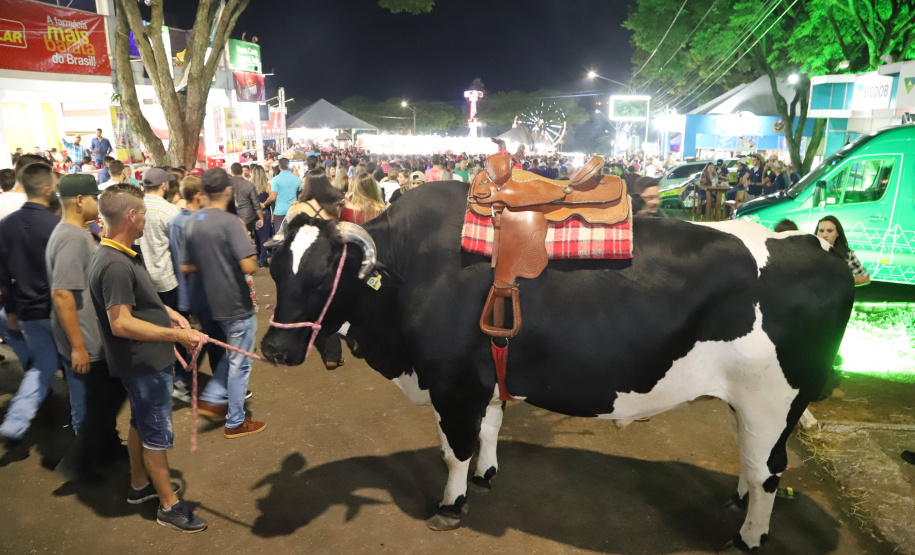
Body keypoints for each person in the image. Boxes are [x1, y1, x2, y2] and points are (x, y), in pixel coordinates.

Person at [89, 183, 206, 532]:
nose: (145, 219)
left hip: (142, 362)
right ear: (130, 215)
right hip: (143, 363)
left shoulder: (120, 253)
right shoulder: (114, 264)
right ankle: (169, 506)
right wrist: (179, 335)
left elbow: (137, 303)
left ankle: (140, 486)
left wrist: (166, 312)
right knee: (156, 433)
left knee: (142, 422)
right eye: (141, 213)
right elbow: (121, 323)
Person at [47, 174, 128, 482]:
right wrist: (78, 346)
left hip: (83, 335)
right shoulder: (72, 237)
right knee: (107, 396)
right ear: (80, 201)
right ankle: (81, 462)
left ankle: (106, 450)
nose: (99, 203)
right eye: (94, 198)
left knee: (101, 397)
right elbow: (62, 292)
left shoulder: (68, 232)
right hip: (85, 339)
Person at [182, 168, 265, 439]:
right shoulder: (231, 222)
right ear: (228, 190)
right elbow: (249, 265)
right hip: (233, 300)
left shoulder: (193, 220)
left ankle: (214, 396)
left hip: (204, 302)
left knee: (232, 356)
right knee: (240, 361)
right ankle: (235, 421)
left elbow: (186, 265)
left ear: (203, 192)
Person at [0, 159, 63, 444]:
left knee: (42, 364)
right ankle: (84, 428)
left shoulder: (7, 225)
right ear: (48, 189)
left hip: (26, 309)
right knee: (74, 369)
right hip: (58, 309)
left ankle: (16, 419)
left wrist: (11, 309)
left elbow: (4, 274)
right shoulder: (56, 225)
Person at [815, 215, 870, 286]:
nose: (824, 235)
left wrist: (840, 283)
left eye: (829, 231)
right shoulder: (808, 250)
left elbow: (864, 277)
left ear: (838, 233)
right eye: (821, 231)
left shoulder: (846, 254)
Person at [229, 162, 264, 237]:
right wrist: (261, 218)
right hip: (248, 218)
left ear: (231, 172)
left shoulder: (227, 185)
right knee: (248, 238)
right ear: (242, 171)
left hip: (232, 218)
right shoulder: (249, 185)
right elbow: (256, 204)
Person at [251, 165, 274, 267]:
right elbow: (272, 200)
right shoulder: (267, 186)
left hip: (253, 214)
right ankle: (263, 259)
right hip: (265, 212)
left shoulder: (249, 186)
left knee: (257, 236)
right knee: (264, 237)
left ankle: (258, 257)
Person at [269, 158, 301, 229]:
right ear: (289, 166)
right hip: (293, 210)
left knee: (280, 236)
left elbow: (273, 197)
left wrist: (263, 204)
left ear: (279, 166)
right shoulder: (297, 179)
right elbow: (301, 193)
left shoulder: (275, 180)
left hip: (280, 211)